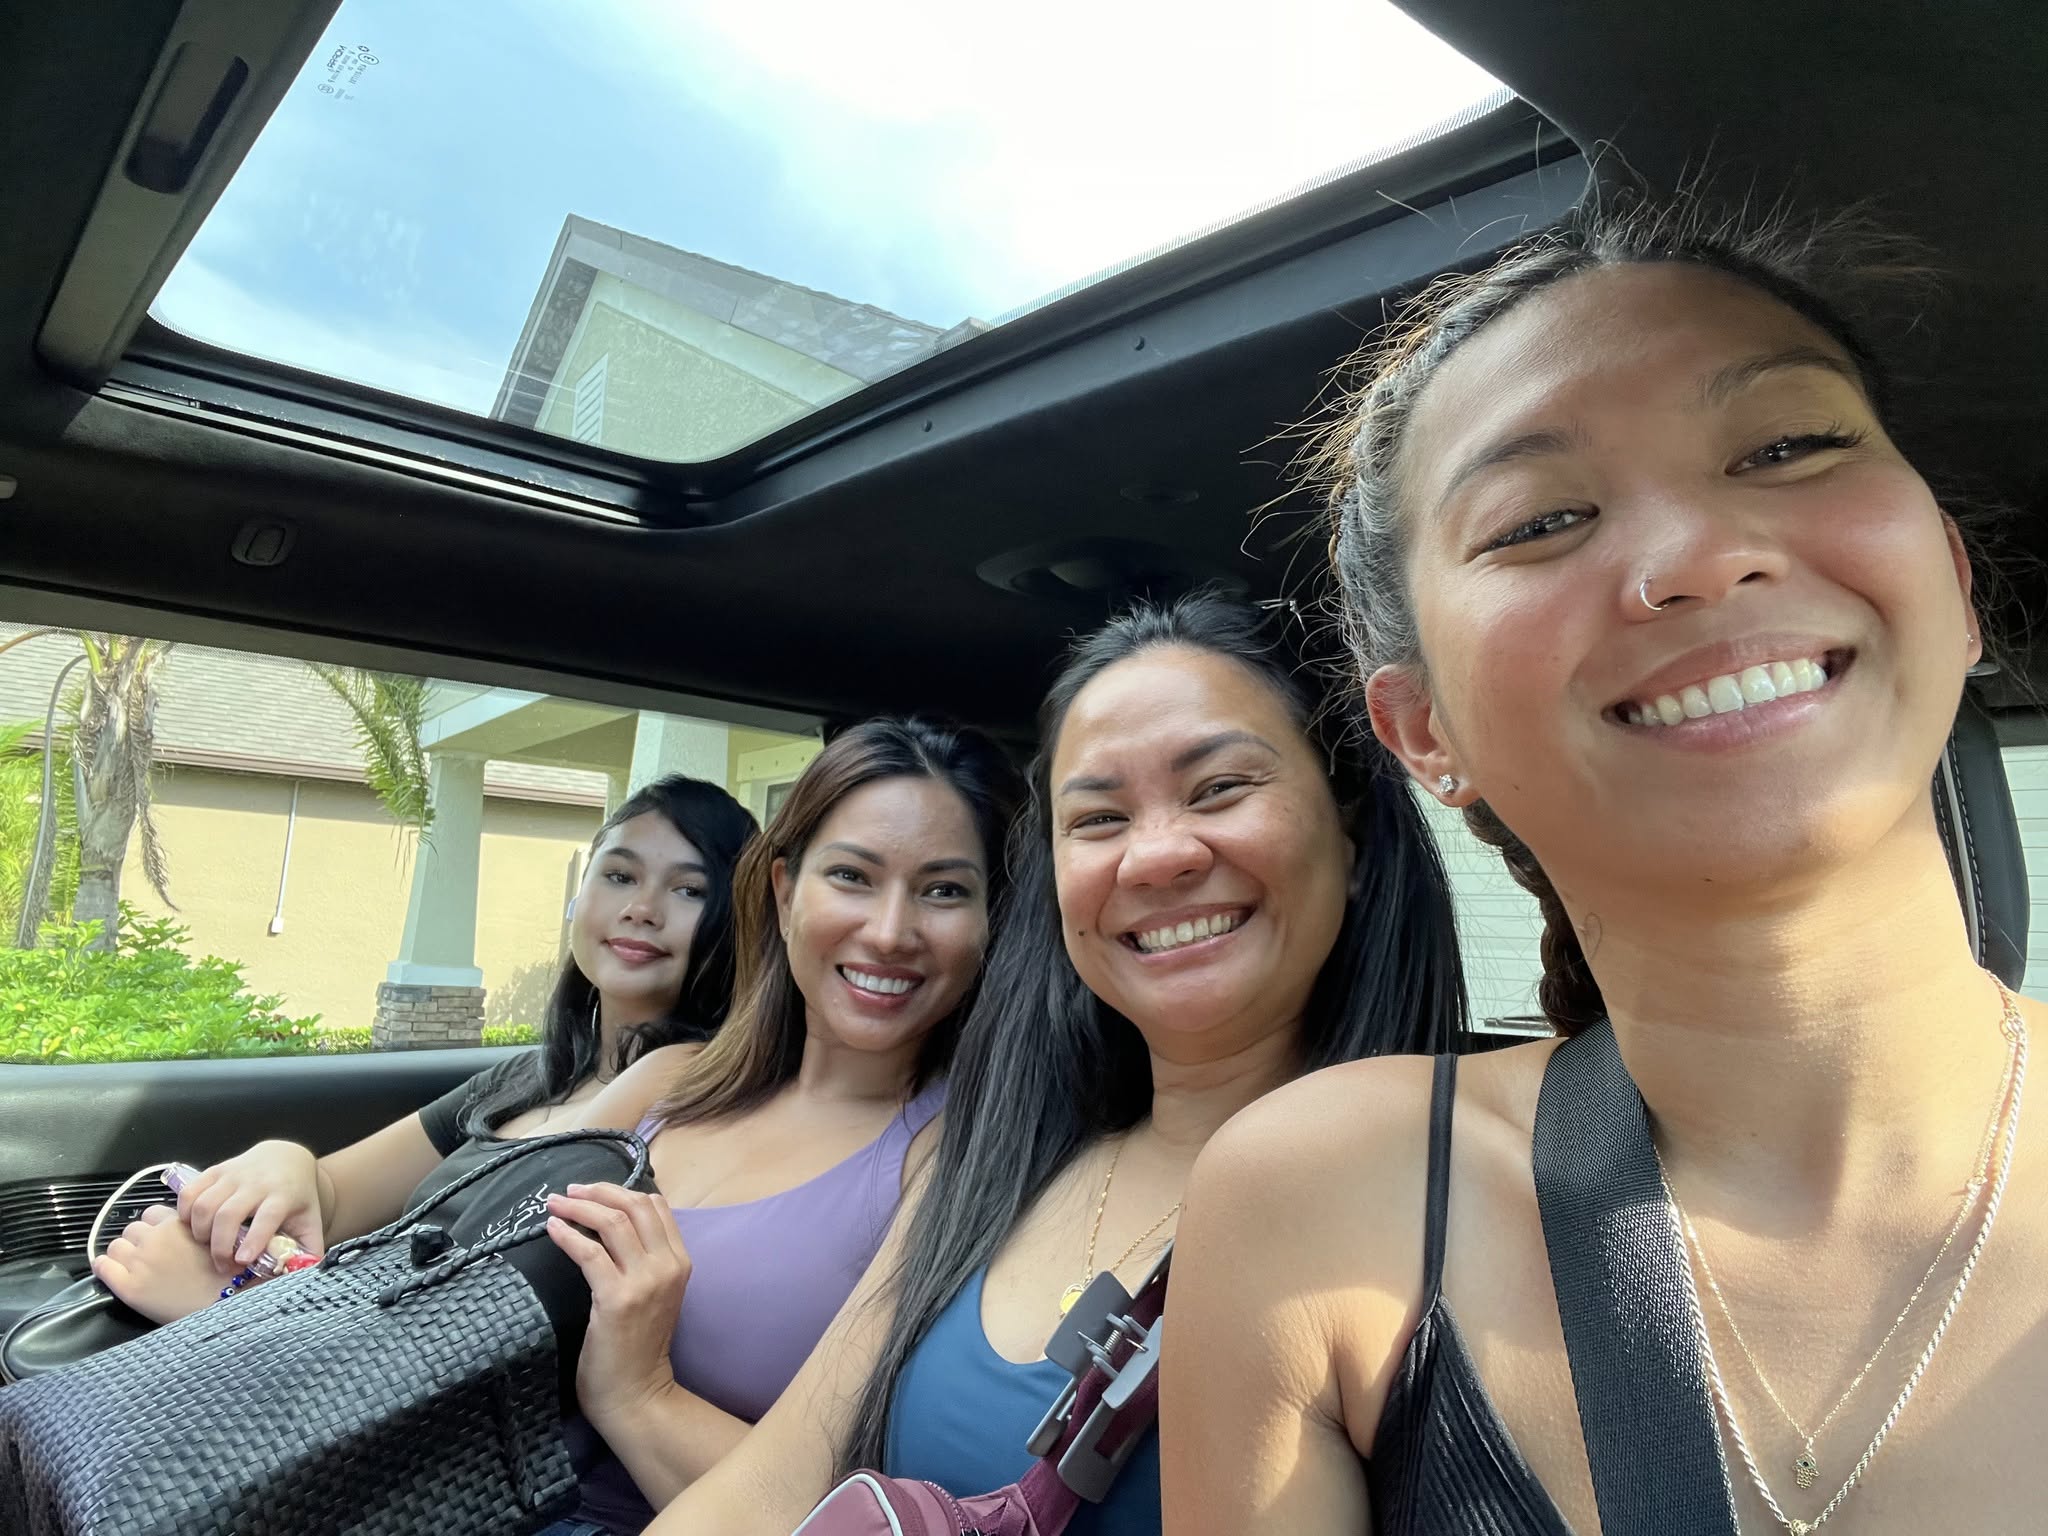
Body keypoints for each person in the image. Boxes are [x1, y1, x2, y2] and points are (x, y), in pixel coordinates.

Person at [1161, 197, 2048, 1534]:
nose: (1698, 557)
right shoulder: (1323, 1210)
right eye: (1538, 522)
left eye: (1792, 445)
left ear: (1956, 582)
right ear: (1423, 731)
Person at [644, 590, 1467, 1535]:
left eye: (1219, 789)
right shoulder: (1000, 1155)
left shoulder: (1450, 1198)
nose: (1155, 857)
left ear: (1352, 838)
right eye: (1099, 819)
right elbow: (772, 1483)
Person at [534, 716, 1024, 1535]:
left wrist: (636, 1393)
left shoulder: (951, 1158)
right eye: (852, 876)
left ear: (990, 925)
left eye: (944, 890)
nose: (891, 931)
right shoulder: (669, 1079)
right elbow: (465, 1232)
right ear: (785, 891)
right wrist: (296, 1173)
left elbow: (835, 1515)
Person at [92, 773, 758, 1321]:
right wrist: (284, 1160)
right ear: (578, 895)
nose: (642, 907)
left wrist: (234, 1301)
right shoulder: (527, 1077)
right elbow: (333, 1191)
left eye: (689, 890)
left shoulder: (680, 1073)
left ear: (739, 923)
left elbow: (459, 1315)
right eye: (619, 875)